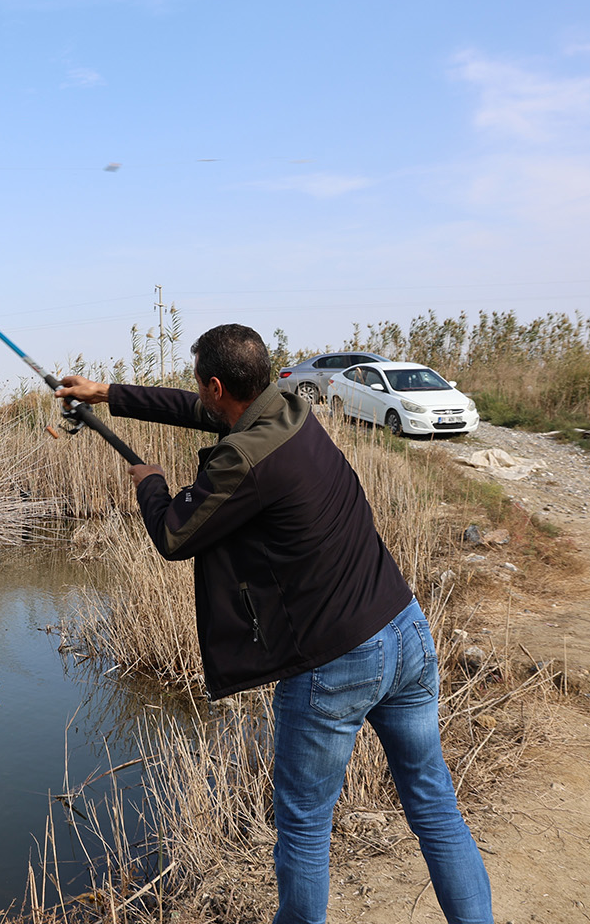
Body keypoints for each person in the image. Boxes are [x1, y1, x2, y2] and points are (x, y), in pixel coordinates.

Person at [56, 323, 492, 924]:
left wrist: (151, 483)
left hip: (337, 662)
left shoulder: (244, 456)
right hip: (405, 629)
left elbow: (176, 534)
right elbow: (198, 410)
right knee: (434, 804)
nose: (199, 395)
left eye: (201, 385)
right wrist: (107, 393)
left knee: (305, 827)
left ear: (217, 385)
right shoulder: (289, 408)